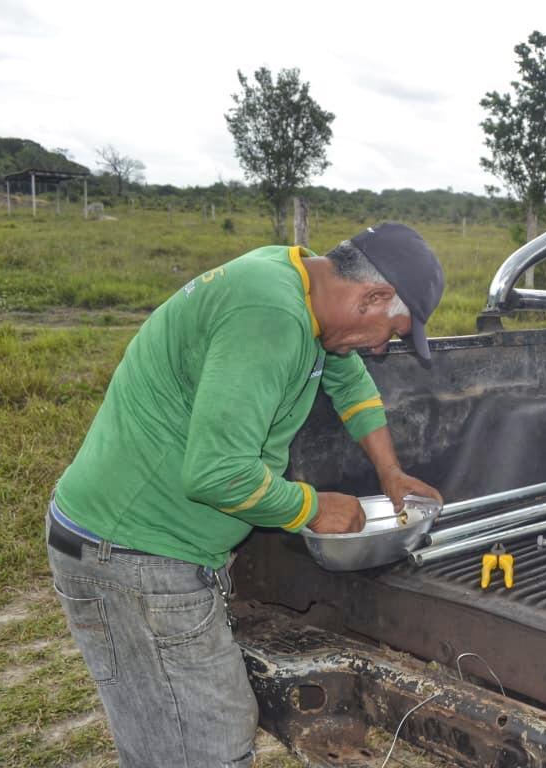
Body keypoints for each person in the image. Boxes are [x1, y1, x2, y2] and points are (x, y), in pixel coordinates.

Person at [45, 223, 445, 766]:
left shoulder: (296, 277)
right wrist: (312, 507)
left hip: (128, 545)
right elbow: (217, 473)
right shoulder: (270, 317)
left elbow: (349, 381)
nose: (381, 348)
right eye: (391, 332)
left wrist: (391, 474)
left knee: (168, 741)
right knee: (208, 743)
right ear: (371, 296)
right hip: (134, 556)